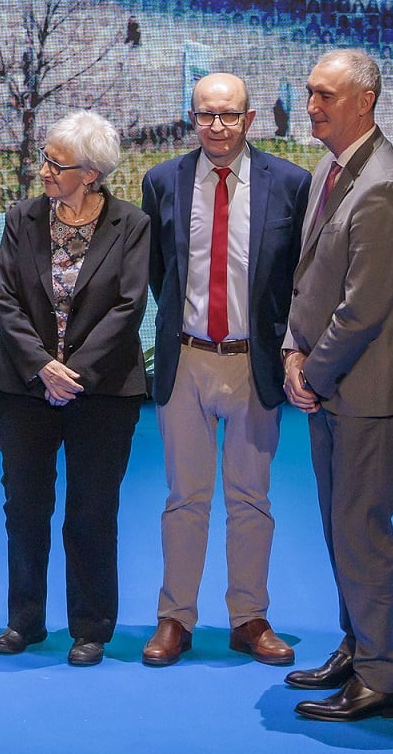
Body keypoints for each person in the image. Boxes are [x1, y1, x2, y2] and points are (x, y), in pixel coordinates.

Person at [282, 49, 393, 723]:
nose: (310, 105)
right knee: (340, 530)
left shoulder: (385, 187)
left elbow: (363, 307)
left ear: (364, 101)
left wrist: (309, 373)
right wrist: (292, 350)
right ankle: (357, 645)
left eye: (325, 95)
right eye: (310, 92)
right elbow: (310, 278)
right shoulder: (333, 169)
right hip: (332, 388)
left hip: (372, 396)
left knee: (361, 532)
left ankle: (382, 678)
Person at [138, 72, 307, 669]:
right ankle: (174, 617)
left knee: (250, 499)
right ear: (192, 117)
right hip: (185, 361)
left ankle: (249, 619)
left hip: (253, 363)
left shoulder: (291, 183)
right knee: (185, 497)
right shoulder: (162, 181)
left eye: (228, 115)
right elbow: (159, 276)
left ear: (249, 119)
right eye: (206, 114)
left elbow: (298, 279)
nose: (216, 125)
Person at [0, 110, 150, 667]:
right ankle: (24, 621)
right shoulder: (21, 218)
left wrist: (73, 370)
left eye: (57, 163)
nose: (44, 171)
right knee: (25, 507)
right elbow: (5, 301)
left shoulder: (131, 225)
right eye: (46, 158)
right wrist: (42, 367)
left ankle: (90, 626)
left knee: (92, 509)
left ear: (92, 173)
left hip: (103, 391)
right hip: (24, 389)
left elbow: (129, 306)